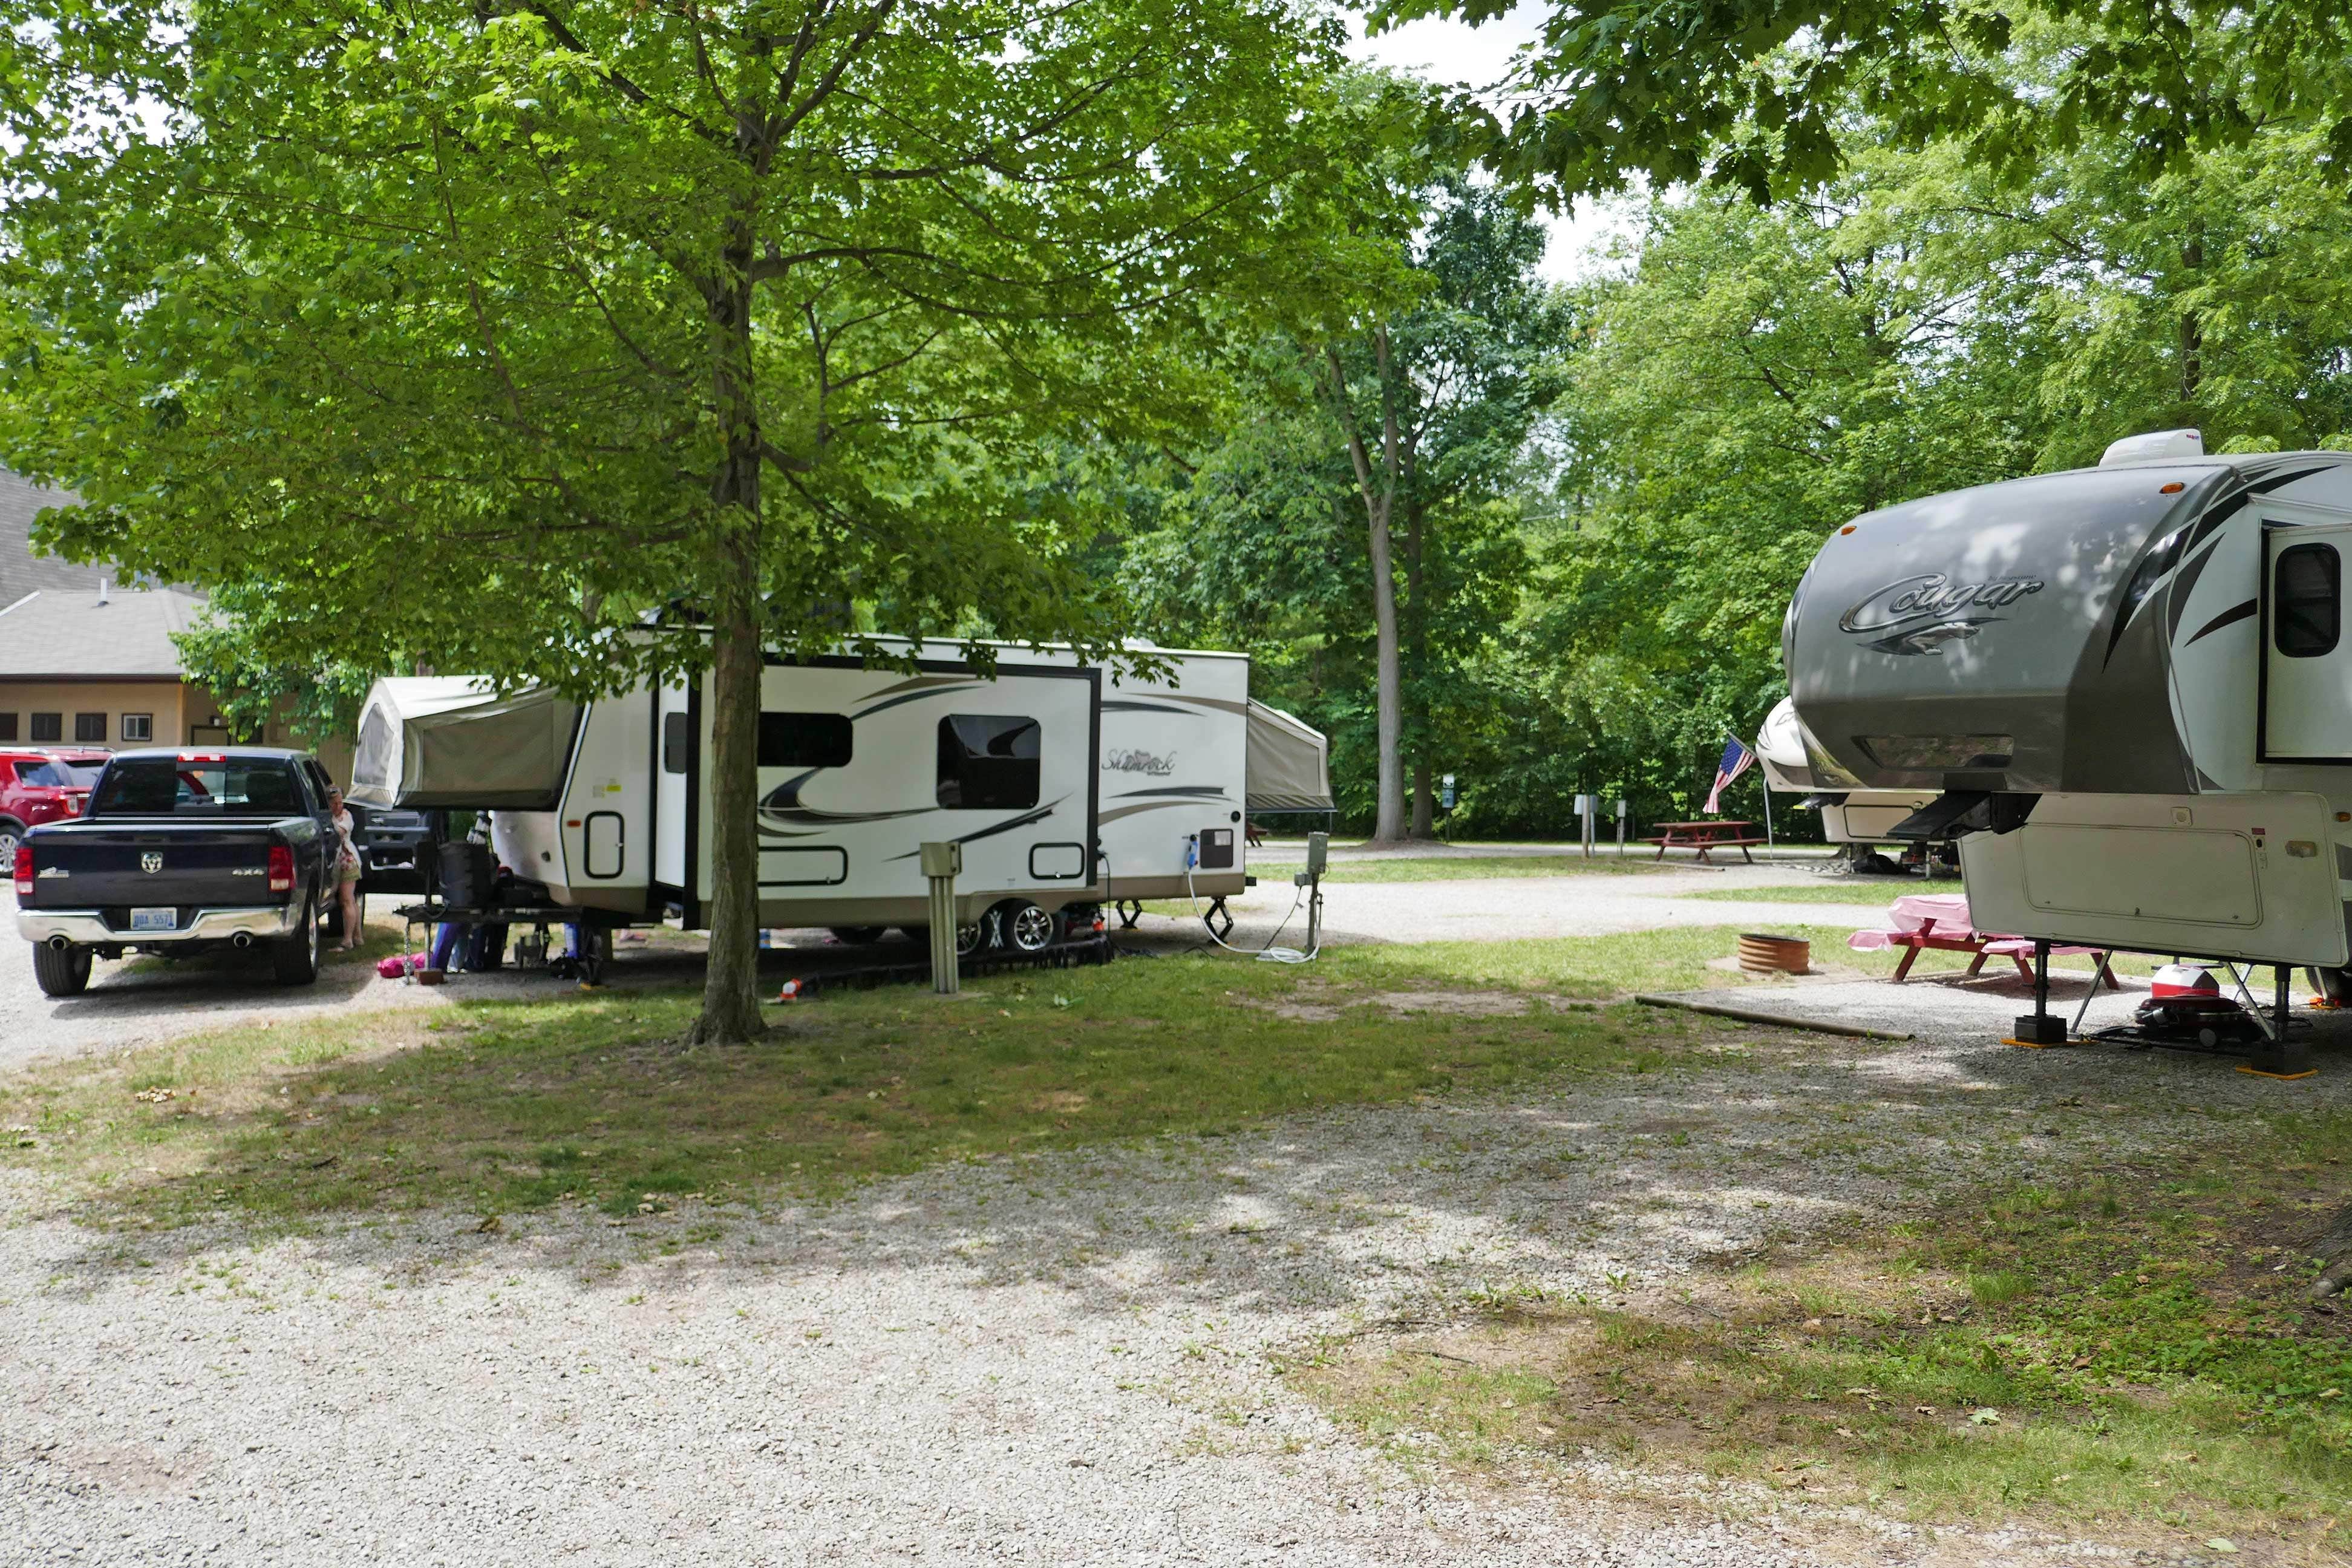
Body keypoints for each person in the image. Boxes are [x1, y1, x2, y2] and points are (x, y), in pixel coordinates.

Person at [324, 785, 364, 952]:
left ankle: (348, 940)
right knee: (350, 901)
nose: (338, 807)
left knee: (347, 900)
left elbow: (338, 833)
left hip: (348, 862)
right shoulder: (330, 817)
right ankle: (358, 936)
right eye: (334, 804)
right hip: (339, 863)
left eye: (340, 803)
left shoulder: (345, 816)